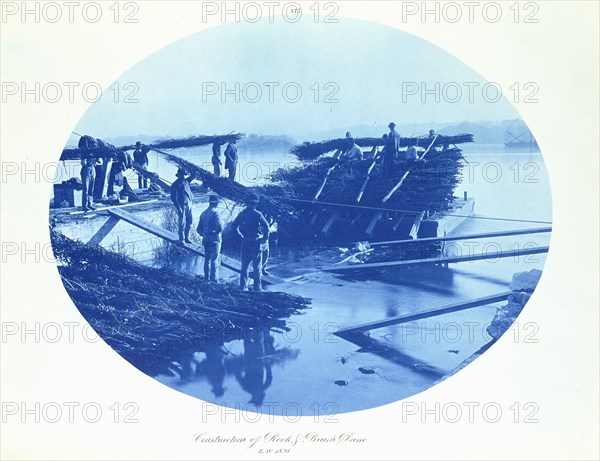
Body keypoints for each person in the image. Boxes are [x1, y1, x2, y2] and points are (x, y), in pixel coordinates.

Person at [231, 194, 270, 291]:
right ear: (256, 204)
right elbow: (267, 227)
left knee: (244, 266)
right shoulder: (258, 214)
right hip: (256, 241)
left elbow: (233, 227)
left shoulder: (242, 214)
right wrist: (264, 239)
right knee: (257, 267)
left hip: (245, 241)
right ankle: (257, 288)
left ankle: (243, 287)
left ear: (247, 203)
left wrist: (240, 236)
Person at [197, 194, 224, 282]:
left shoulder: (203, 213)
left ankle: (206, 279)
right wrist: (215, 233)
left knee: (207, 259)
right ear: (216, 203)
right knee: (214, 260)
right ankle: (214, 280)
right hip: (215, 240)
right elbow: (220, 227)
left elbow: (198, 229)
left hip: (206, 240)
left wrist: (204, 234)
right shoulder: (216, 213)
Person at [170, 168, 195, 243]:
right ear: (179, 175)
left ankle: (187, 237)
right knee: (182, 223)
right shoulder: (175, 184)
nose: (184, 176)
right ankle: (182, 239)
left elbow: (193, 175)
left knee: (190, 222)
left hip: (189, 204)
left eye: (185, 175)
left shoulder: (186, 181)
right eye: (182, 175)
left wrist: (189, 167)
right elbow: (174, 198)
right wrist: (178, 207)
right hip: (182, 205)